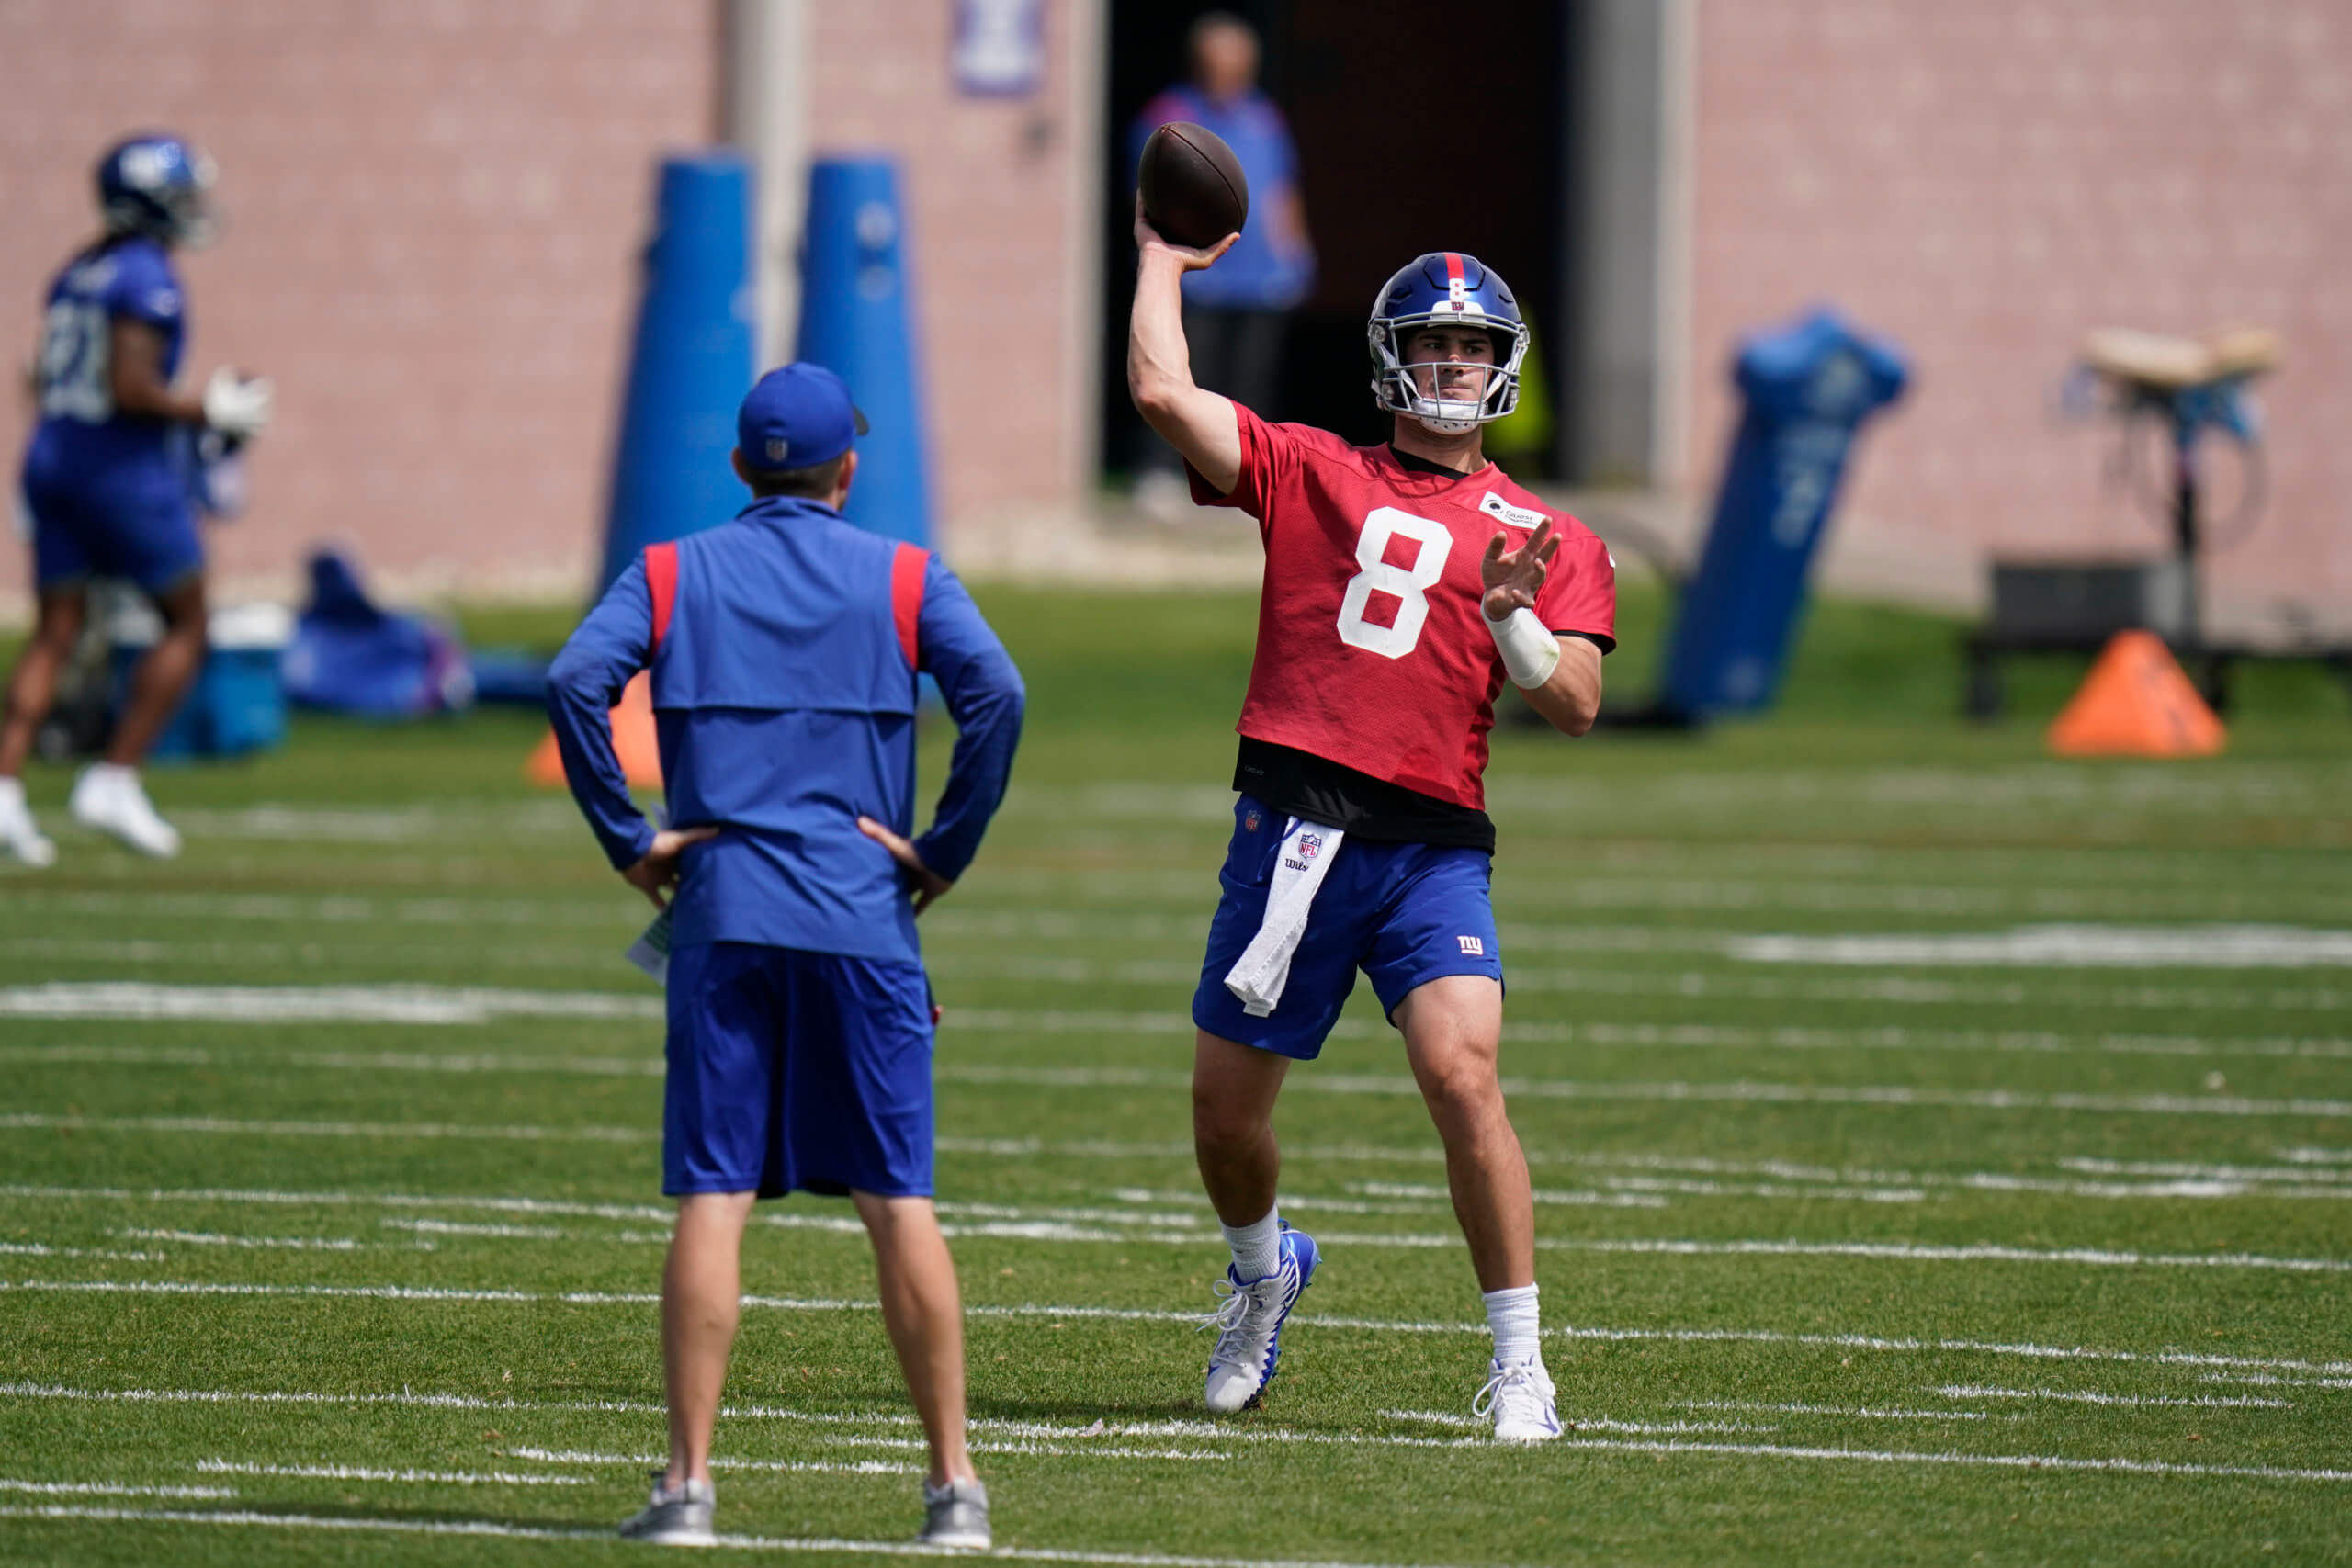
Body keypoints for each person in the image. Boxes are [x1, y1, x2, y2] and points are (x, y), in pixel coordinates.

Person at [1128, 209, 1616, 1440]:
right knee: (1226, 1121)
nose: (1451, 365)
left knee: (1462, 1070)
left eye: (1470, 344)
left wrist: (1515, 620)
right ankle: (1262, 1270)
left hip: (1431, 844)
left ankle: (1520, 1361)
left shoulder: (1549, 534)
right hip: (1290, 834)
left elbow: (1577, 702)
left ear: (1501, 360)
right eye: (1430, 343)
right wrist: (1160, 258)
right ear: (1390, 355)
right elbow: (1158, 389)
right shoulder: (1315, 470)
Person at [546, 364, 1024, 1549]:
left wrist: (629, 838)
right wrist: (939, 851)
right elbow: (997, 695)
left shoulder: (669, 570)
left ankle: (687, 1490)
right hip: (865, 918)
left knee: (714, 1197)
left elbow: (572, 681)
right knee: (897, 1203)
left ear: (739, 470)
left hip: (722, 911)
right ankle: (953, 1490)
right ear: (847, 470)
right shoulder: (905, 575)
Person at [0, 133, 274, 864]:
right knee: (189, 619)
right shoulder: (143, 274)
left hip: (52, 455)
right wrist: (206, 412)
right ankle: (114, 777)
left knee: (56, 629)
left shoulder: (79, 269)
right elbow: (129, 388)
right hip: (114, 470)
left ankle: (5, 790)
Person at [1127, 10, 1314, 521]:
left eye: (1242, 60)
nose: (1234, 69)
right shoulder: (1169, 119)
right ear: (1201, 61)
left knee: (1249, 383)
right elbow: (1145, 196)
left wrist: (1294, 254)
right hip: (1197, 277)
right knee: (1177, 378)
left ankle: (1239, 484)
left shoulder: (1264, 117)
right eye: (1223, 59)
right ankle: (1163, 475)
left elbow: (1281, 189)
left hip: (1260, 277)